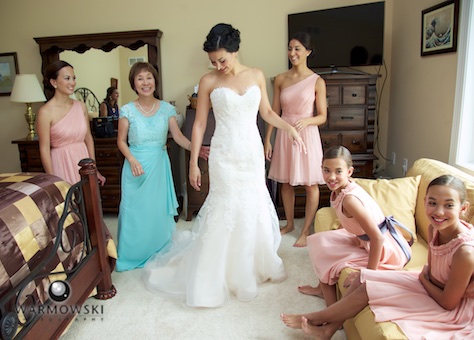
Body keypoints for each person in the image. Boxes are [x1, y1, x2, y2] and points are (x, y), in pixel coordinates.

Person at [142, 23, 305, 307]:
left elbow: (266, 111)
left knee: (251, 204)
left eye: (223, 60)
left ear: (235, 50)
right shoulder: (208, 81)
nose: (218, 65)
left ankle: (250, 266)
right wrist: (193, 162)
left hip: (250, 152)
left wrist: (288, 128)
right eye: (213, 61)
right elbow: (201, 123)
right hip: (224, 152)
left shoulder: (255, 75)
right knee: (226, 206)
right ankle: (214, 273)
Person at [281, 175, 474, 339]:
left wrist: (423, 277)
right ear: (424, 201)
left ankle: (316, 317)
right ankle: (329, 329)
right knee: (364, 279)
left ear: (463, 208)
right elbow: (432, 272)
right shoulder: (434, 228)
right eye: (433, 203)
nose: (439, 212)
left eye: (448, 205)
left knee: (368, 288)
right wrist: (425, 277)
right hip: (432, 284)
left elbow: (448, 302)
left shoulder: (464, 252)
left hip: (453, 307)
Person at [115, 62, 209, 272]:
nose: (145, 83)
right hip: (135, 166)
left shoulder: (167, 109)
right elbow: (121, 141)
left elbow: (177, 137)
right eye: (140, 79)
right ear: (134, 83)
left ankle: (158, 250)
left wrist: (196, 149)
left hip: (158, 166)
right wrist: (131, 159)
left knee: (157, 211)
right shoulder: (127, 110)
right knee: (134, 212)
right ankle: (132, 255)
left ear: (155, 81)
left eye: (149, 78)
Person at [298, 146, 412, 307]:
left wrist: (368, 274)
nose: (331, 177)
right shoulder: (340, 189)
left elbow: (377, 238)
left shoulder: (350, 199)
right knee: (320, 241)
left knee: (328, 256)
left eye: (338, 171)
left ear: (349, 172)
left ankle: (331, 310)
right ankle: (321, 289)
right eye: (326, 170)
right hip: (365, 239)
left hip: (386, 250)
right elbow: (351, 221)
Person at [264, 32, 327, 247]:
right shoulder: (280, 79)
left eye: (297, 48)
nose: (292, 53)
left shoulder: (317, 81)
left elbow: (323, 116)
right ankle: (290, 223)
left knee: (310, 185)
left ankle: (306, 229)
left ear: (308, 51)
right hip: (284, 132)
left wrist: (307, 122)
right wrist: (268, 139)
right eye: (290, 48)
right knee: (286, 183)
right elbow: (273, 111)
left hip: (306, 135)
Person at [37, 60, 106, 186]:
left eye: (74, 78)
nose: (72, 83)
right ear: (54, 82)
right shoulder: (45, 112)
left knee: (89, 203)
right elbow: (44, 148)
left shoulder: (81, 107)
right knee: (69, 203)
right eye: (67, 78)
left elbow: (88, 139)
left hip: (83, 161)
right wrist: (53, 180)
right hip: (61, 163)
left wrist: (94, 169)